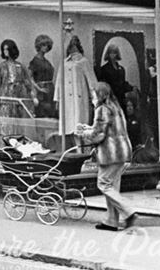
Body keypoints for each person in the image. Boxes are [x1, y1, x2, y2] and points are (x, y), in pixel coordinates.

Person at [76, 81, 137, 232]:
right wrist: (88, 128)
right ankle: (111, 221)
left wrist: (83, 133)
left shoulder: (102, 109)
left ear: (99, 95)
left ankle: (128, 212)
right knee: (112, 187)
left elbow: (98, 135)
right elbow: (107, 130)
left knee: (104, 184)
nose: (92, 98)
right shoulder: (116, 107)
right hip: (122, 151)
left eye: (93, 95)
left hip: (110, 153)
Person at [55, 35, 98, 136]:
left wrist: (95, 99)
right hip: (66, 100)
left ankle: (80, 149)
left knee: (79, 126)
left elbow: (91, 81)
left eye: (75, 45)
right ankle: (67, 148)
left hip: (79, 98)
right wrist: (57, 99)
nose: (73, 48)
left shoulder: (83, 61)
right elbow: (58, 81)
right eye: (71, 45)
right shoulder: (64, 62)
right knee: (67, 126)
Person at [0, 39, 39, 122]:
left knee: (18, 123)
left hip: (18, 98)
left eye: (7, 49)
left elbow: (28, 82)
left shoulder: (20, 66)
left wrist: (34, 96)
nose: (5, 52)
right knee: (5, 122)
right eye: (4, 49)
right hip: (5, 99)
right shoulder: (0, 67)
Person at [97, 44, 133, 110]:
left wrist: (131, 88)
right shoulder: (104, 69)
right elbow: (103, 85)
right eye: (111, 53)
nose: (113, 55)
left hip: (121, 97)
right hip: (110, 97)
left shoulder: (121, 69)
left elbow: (123, 82)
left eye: (114, 53)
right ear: (108, 54)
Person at [29, 34, 56, 118]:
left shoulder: (47, 61)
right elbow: (29, 77)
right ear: (39, 46)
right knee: (42, 112)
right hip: (41, 91)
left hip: (50, 89)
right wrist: (38, 88)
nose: (46, 47)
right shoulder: (35, 61)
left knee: (51, 113)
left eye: (47, 45)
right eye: (43, 45)